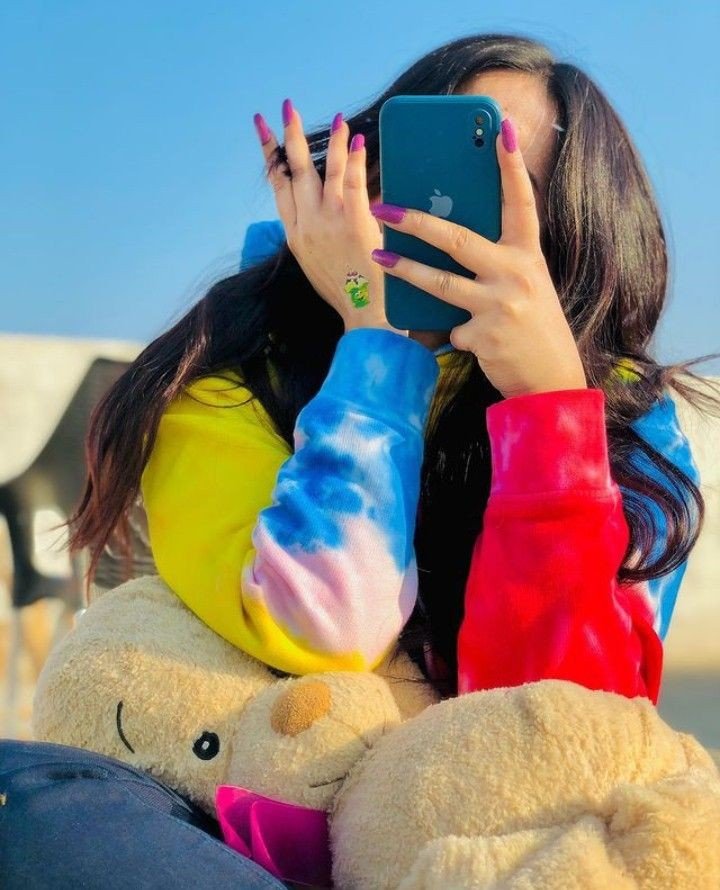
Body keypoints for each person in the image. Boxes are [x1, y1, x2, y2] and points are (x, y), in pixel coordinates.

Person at [4, 33, 714, 887]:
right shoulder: (227, 377)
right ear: (362, 171)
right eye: (425, 163)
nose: (442, 215)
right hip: (240, 828)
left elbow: (559, 744)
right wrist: (376, 345)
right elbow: (324, 626)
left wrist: (548, 415)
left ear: (575, 236)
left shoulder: (630, 430)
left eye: (498, 188)